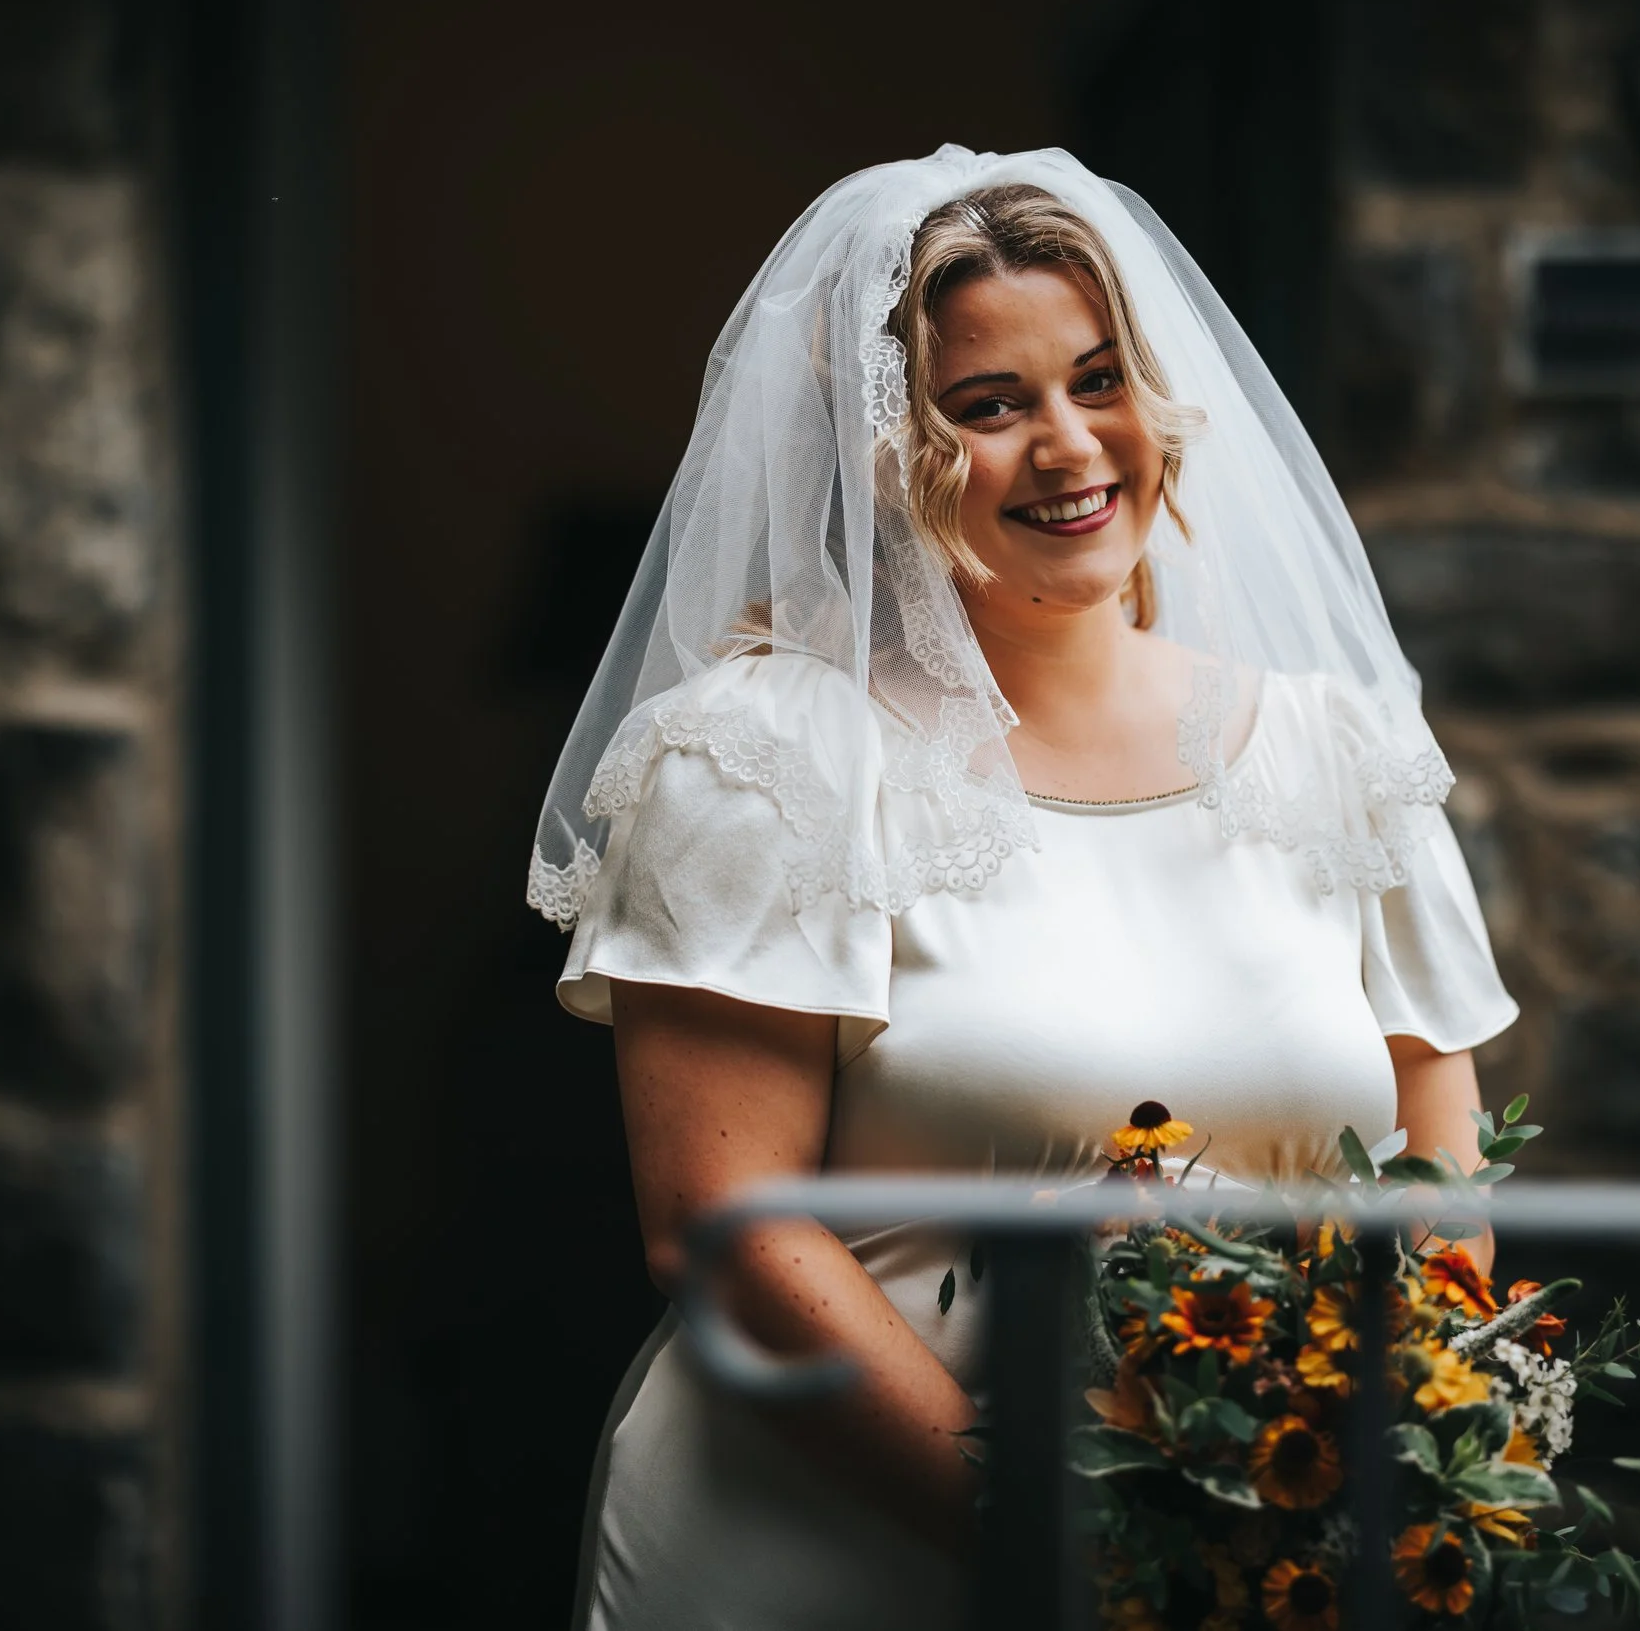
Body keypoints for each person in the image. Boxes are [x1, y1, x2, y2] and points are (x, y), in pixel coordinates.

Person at [527, 147, 1518, 1631]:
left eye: (1099, 379)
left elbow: (1443, 1187)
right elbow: (724, 1234)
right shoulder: (766, 755)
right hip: (837, 1552)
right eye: (987, 407)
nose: (1068, 448)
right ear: (879, 451)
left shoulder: (1340, 751)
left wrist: (1332, 1500)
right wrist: (1054, 1537)